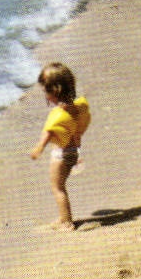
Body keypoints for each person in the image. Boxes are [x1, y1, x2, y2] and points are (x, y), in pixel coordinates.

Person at [28, 62, 90, 231]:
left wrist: (38, 148)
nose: (44, 94)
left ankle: (67, 222)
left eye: (44, 90)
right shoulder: (76, 107)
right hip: (73, 152)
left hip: (60, 155)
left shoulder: (57, 115)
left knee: (58, 188)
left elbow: (48, 133)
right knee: (60, 186)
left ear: (54, 91)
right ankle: (63, 217)